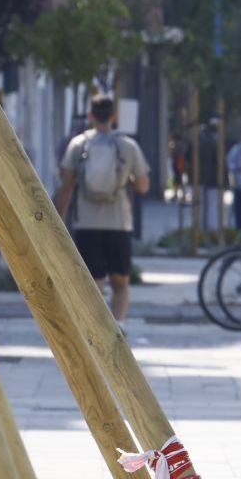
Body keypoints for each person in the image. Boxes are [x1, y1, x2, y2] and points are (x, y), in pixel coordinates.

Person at [54, 93, 151, 325]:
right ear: (113, 116)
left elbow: (66, 185)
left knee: (93, 283)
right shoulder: (127, 146)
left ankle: (96, 328)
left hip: (87, 223)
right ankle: (118, 327)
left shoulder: (78, 144)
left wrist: (57, 219)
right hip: (119, 223)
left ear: (90, 115)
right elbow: (143, 186)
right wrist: (124, 181)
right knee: (120, 283)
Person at [197, 117, 223, 234]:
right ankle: (211, 229)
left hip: (203, 176)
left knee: (204, 204)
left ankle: (204, 228)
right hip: (213, 177)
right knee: (212, 204)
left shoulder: (201, 140)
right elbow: (218, 160)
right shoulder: (214, 141)